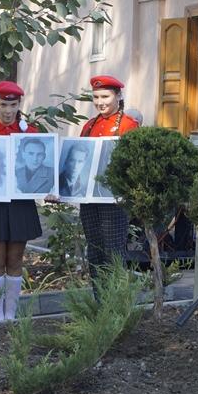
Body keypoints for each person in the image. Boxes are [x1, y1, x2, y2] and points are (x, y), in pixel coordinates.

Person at [0, 80, 41, 321]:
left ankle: (10, 312)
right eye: (4, 104)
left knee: (15, 258)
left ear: (19, 104)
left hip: (20, 204)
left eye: (13, 104)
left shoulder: (30, 133)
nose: (8, 110)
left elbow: (40, 167)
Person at [78, 75, 138, 279]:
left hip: (114, 199)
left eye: (105, 96)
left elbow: (132, 163)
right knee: (94, 251)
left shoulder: (128, 125)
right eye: (95, 97)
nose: (99, 102)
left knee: (114, 253)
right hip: (89, 198)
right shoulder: (89, 126)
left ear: (118, 96)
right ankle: (100, 304)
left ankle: (117, 305)